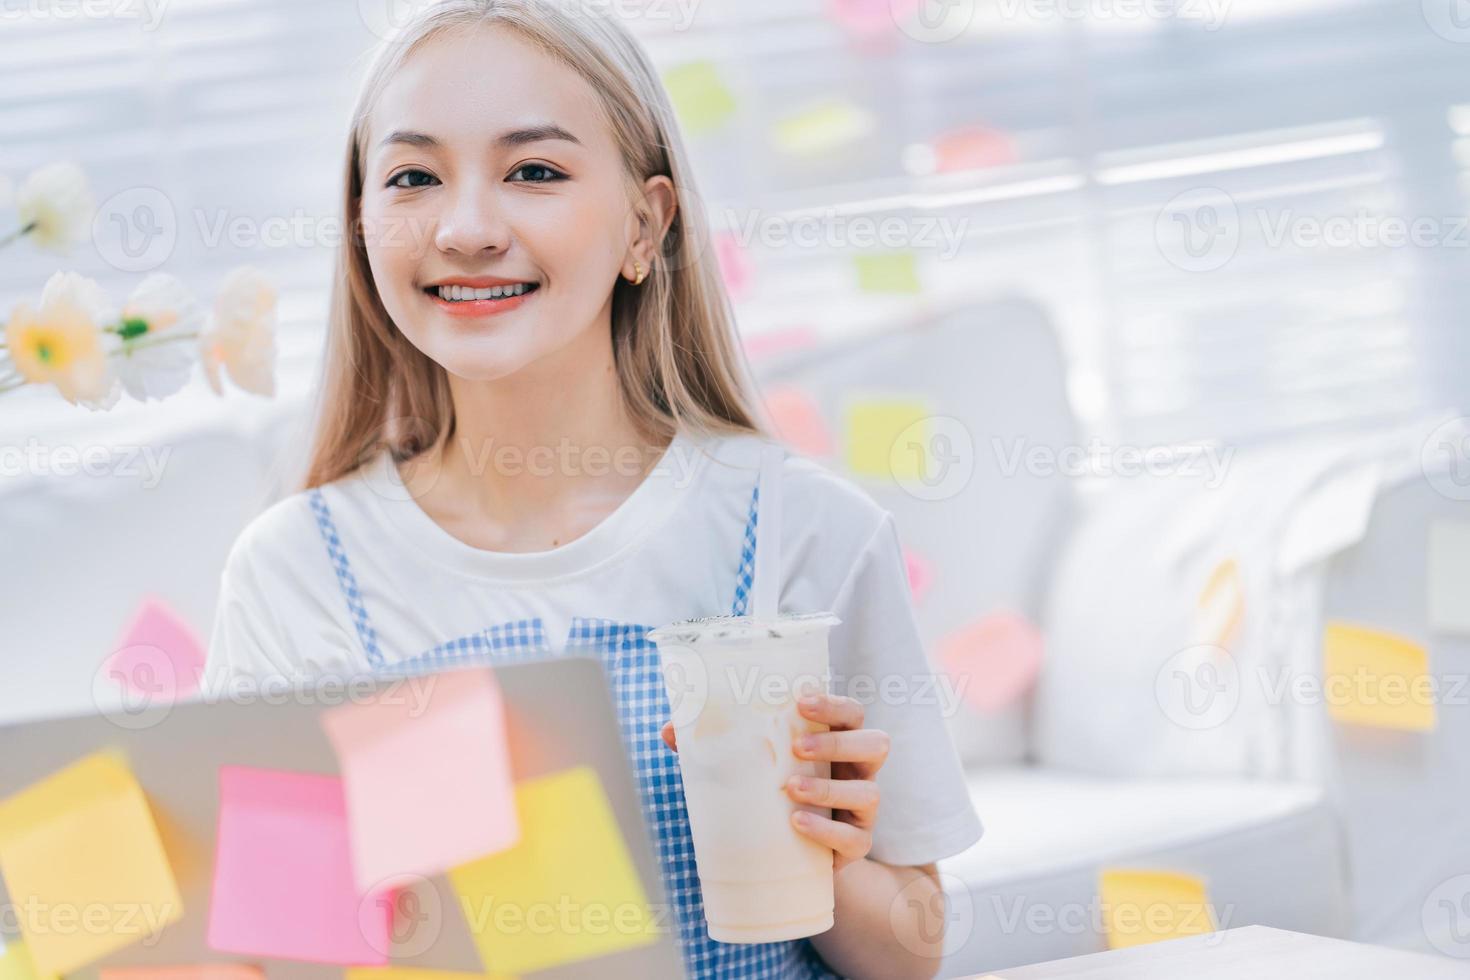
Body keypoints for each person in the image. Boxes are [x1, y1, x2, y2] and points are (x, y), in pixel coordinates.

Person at [204, 2, 981, 977]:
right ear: (362, 226)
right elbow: (261, 953)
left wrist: (822, 853)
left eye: (535, 170)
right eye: (412, 176)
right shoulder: (297, 572)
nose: (467, 227)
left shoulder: (804, 531)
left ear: (646, 223)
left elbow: (913, 951)